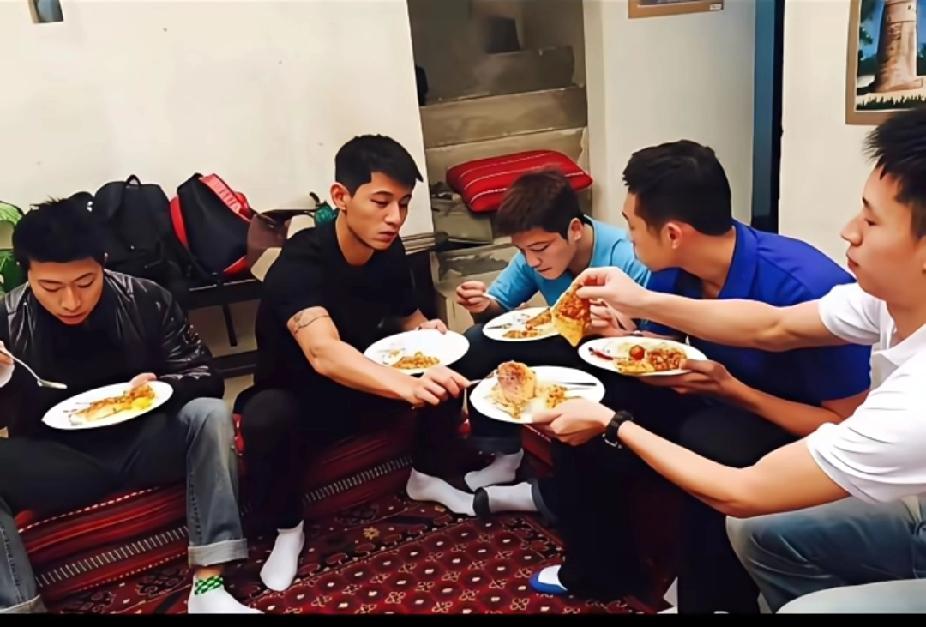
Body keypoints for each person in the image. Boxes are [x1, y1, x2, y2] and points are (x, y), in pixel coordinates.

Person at [535, 109, 926, 613]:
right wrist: (637, 307)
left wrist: (615, 424)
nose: (849, 231)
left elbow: (748, 488)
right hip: (735, 408)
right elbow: (773, 327)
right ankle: (599, 569)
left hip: (796, 437)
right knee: (600, 390)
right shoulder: (880, 300)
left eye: (871, 221)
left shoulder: (815, 290)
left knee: (715, 445)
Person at [238, 135, 472, 593]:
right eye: (381, 202)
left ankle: (426, 476)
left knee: (446, 369)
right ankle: (288, 529)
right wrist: (406, 386)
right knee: (266, 415)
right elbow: (323, 353)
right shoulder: (300, 261)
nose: (395, 218)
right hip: (302, 396)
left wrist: (427, 333)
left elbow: (407, 315)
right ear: (341, 197)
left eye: (403, 203)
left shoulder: (390, 249)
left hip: (362, 386)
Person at [0, 199, 257, 614]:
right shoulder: (6, 319)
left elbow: (206, 375)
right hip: (60, 461)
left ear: (103, 261)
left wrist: (165, 386)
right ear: (25, 272)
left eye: (85, 282)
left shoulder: (145, 298)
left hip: (144, 444)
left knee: (209, 414)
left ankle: (209, 582)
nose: (71, 301)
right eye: (51, 288)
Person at [451, 170, 649, 505]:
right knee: (477, 340)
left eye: (540, 248)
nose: (532, 261)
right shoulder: (533, 256)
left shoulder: (626, 258)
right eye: (522, 250)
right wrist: (482, 306)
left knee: (605, 399)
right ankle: (505, 455)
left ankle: (551, 495)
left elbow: (652, 348)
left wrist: (617, 331)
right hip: (565, 344)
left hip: (616, 359)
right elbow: (499, 313)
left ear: (575, 229)